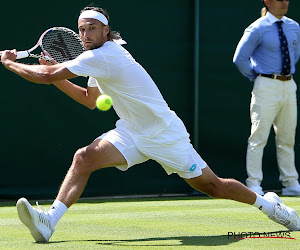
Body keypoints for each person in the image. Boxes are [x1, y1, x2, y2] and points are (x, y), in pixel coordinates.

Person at [1, 6, 299, 243]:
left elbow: (44, 77)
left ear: (106, 30)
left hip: (164, 133)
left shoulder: (106, 56)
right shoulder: (94, 58)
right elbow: (90, 100)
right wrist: (53, 73)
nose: (85, 34)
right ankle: (49, 222)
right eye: (81, 29)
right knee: (84, 157)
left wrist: (10, 63)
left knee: (213, 186)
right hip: (131, 131)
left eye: (92, 28)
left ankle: (269, 205)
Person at [233, 0, 300, 196]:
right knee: (258, 136)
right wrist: (259, 76)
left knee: (287, 137)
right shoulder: (257, 28)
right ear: (268, 2)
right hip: (266, 85)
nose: (284, 2)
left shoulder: (294, 26)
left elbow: (294, 55)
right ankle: (254, 183)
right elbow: (240, 58)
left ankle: (290, 183)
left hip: (289, 84)